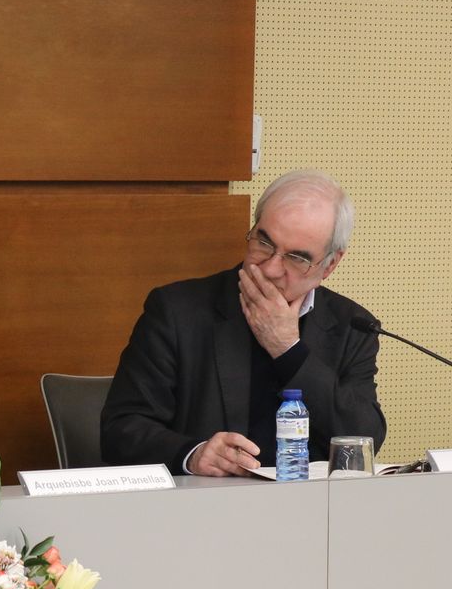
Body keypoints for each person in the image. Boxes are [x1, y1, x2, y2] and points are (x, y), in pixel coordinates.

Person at [101, 169, 386, 476]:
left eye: (296, 258)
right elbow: (120, 430)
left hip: (310, 511)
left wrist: (289, 350)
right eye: (264, 243)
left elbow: (363, 441)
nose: (271, 268)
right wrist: (193, 454)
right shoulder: (177, 311)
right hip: (205, 507)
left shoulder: (352, 327)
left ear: (330, 264)